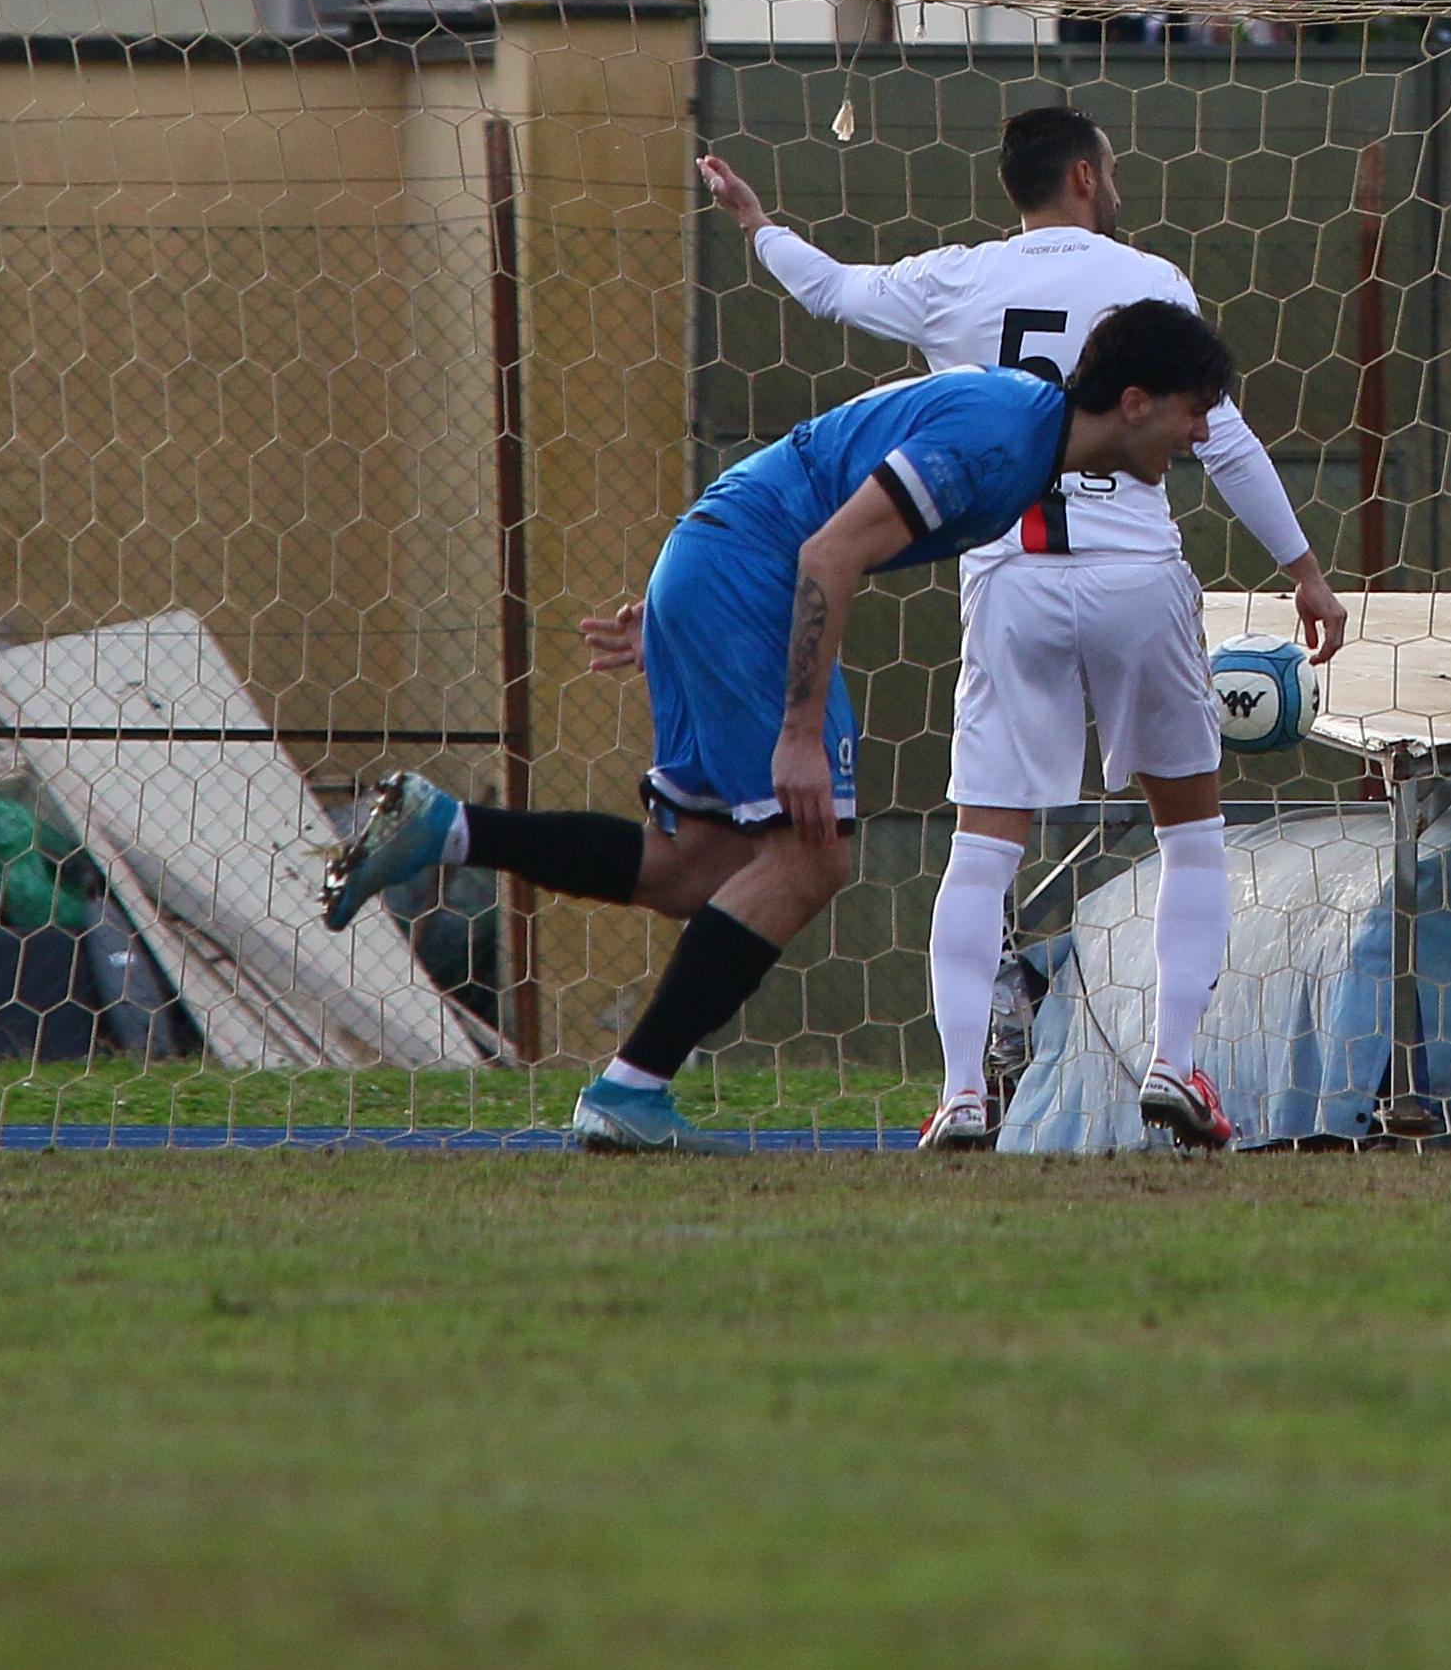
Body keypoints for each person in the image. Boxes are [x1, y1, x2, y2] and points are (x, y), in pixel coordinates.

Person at [323, 304, 1244, 1151]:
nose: (1201, 434)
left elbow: (813, 490)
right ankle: (629, 1091)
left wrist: (686, 603)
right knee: (811, 856)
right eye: (1195, 410)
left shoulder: (1021, 425)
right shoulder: (1003, 440)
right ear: (1135, 401)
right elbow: (829, 549)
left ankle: (448, 829)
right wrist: (798, 728)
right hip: (746, 577)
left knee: (697, 866)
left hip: (719, 566)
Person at [702, 107, 1348, 1149]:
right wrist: (1303, 571)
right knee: (1191, 834)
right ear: (1086, 176)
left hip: (1012, 577)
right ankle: (1174, 1066)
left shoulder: (954, 279)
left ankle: (964, 1090)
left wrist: (757, 224)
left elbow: (829, 289)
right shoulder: (1149, 282)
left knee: (983, 844)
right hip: (1136, 575)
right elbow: (1222, 441)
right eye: (1113, 167)